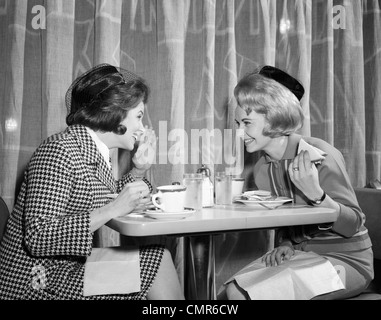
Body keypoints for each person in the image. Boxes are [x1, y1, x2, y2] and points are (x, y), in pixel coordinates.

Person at [0, 64, 184, 300]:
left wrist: (139, 169)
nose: (141, 127)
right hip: (34, 282)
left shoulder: (92, 152)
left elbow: (109, 195)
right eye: (138, 116)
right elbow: (37, 236)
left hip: (62, 271)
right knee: (155, 263)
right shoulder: (59, 150)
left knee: (158, 259)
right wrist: (114, 208)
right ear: (114, 113)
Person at [223, 66, 374, 300]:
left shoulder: (320, 155)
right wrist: (286, 243)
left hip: (349, 262)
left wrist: (319, 197)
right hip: (301, 256)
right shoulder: (262, 169)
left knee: (245, 296)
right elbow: (288, 219)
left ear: (273, 118)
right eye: (237, 124)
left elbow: (353, 223)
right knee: (232, 291)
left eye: (246, 123)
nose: (240, 133)